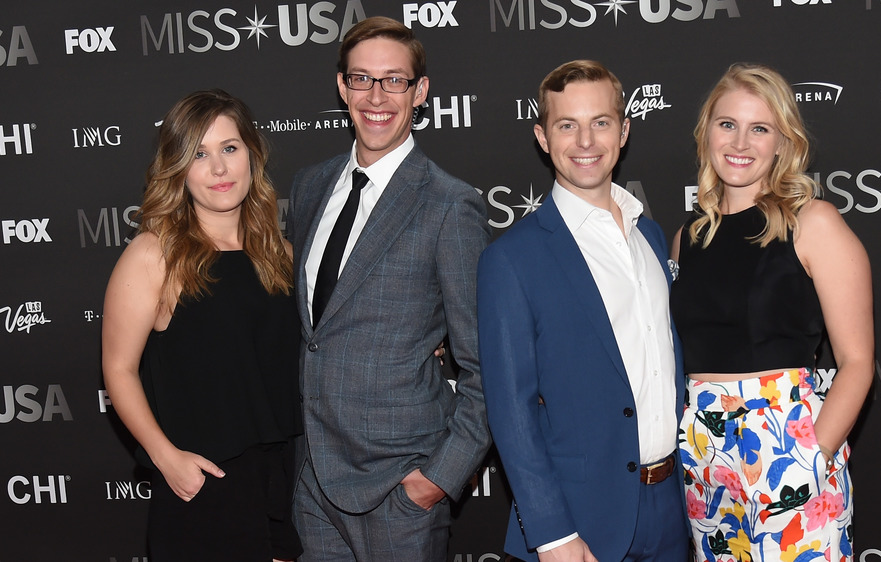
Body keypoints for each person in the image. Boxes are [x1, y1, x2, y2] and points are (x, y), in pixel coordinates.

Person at [287, 16, 491, 562]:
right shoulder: (309, 187)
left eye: (394, 80)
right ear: (342, 87)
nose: (376, 96)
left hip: (399, 488)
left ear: (420, 92)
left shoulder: (450, 206)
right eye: (361, 79)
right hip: (313, 479)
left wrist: (437, 479)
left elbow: (485, 366)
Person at [478, 60, 689, 562]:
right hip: (579, 521)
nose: (586, 141)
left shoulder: (651, 237)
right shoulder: (511, 259)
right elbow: (512, 412)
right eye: (566, 125)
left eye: (600, 122)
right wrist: (552, 535)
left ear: (624, 130)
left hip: (675, 507)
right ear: (542, 137)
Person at [670, 63, 874, 562]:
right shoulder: (686, 240)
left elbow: (857, 361)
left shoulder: (813, 223)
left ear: (783, 142)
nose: (741, 141)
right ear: (706, 135)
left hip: (787, 443)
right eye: (727, 124)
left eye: (759, 128)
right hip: (703, 450)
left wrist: (812, 455)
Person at [102, 89, 303, 561]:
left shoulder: (282, 255)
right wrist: (165, 458)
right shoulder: (155, 255)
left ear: (251, 154)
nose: (219, 168)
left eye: (229, 149)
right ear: (177, 169)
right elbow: (118, 369)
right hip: (202, 485)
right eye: (199, 154)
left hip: (283, 482)